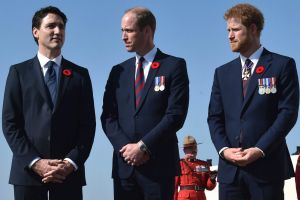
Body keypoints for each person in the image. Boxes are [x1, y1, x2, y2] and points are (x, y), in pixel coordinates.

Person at [2, 6, 96, 200]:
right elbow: (10, 124)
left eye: (61, 27)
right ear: (35, 32)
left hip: (67, 176)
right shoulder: (18, 73)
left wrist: (70, 162)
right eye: (51, 26)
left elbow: (87, 125)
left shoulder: (80, 75)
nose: (58, 31)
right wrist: (35, 162)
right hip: (27, 175)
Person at [207, 3, 299, 200]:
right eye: (228, 30)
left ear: (253, 29)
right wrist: (224, 151)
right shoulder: (222, 73)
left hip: (266, 169)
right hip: (230, 172)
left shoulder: (283, 65)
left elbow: (288, 113)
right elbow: (214, 118)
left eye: (235, 29)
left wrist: (260, 149)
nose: (229, 36)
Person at [101, 7, 189, 200]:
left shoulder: (174, 66)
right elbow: (108, 116)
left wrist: (143, 147)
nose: (123, 36)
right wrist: (127, 149)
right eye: (122, 31)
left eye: (129, 30)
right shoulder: (118, 71)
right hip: (125, 167)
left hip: (158, 166)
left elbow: (175, 115)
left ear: (147, 31)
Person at [174, 135, 217, 200]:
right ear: (184, 150)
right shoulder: (179, 164)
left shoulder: (204, 164)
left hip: (200, 197)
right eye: (190, 148)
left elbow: (209, 187)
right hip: (185, 198)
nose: (193, 149)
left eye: (195, 147)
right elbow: (174, 187)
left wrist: (212, 179)